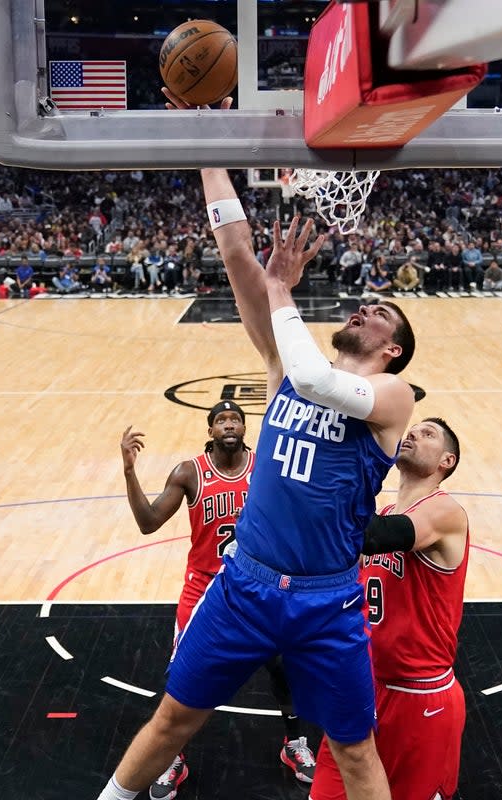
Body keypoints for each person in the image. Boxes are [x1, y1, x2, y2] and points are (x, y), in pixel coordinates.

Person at [97, 90, 416, 800]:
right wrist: (207, 137)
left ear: (392, 348)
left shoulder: (394, 399)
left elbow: (310, 369)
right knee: (174, 717)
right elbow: (237, 251)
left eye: (376, 313)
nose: (361, 307)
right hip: (243, 585)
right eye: (363, 303)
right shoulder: (287, 369)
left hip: (326, 599)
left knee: (355, 753)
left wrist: (282, 290)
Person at [118, 402, 318, 799]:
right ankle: (172, 756)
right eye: (221, 421)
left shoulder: (265, 468)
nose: (229, 425)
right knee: (183, 677)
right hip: (204, 589)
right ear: (210, 430)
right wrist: (129, 471)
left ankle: (294, 744)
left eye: (235, 420)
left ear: (245, 428)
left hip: (256, 587)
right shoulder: (189, 472)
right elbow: (148, 522)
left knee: (283, 669)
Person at [311, 418, 469, 800]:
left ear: (446, 461)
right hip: (360, 686)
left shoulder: (445, 512)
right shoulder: (381, 511)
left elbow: (372, 537)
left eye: (427, 433)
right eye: (412, 429)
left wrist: (337, 463)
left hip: (419, 696)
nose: (412, 433)